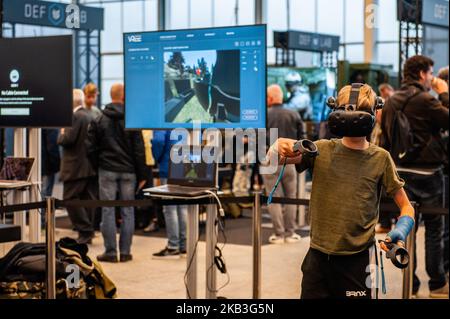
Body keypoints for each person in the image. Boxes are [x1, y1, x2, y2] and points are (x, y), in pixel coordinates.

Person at [268, 83, 415, 299]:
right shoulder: (321, 149)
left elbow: (406, 207)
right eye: (346, 110)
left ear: (374, 112)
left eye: (357, 111)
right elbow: (273, 161)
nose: (351, 116)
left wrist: (400, 232)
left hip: (358, 260)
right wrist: (276, 146)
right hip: (317, 260)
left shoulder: (381, 158)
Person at [381, 55, 449, 298]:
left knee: (406, 227)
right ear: (422, 74)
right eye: (430, 73)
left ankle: (411, 284)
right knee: (434, 229)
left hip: (400, 174)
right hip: (429, 173)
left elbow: (385, 141)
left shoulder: (390, 102)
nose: (432, 78)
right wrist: (444, 93)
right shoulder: (426, 100)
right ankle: (438, 284)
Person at [87, 83, 147, 263]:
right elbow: (139, 149)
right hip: (129, 171)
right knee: (128, 210)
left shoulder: (99, 119)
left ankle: (111, 252)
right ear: (123, 97)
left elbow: (90, 148)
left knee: (108, 210)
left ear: (110, 95)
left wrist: (98, 165)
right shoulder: (132, 119)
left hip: (107, 171)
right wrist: (143, 174)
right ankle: (126, 252)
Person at [262, 84, 304, 244]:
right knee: (291, 197)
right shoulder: (293, 114)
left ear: (270, 98)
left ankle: (278, 235)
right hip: (290, 161)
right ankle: (291, 233)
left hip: (270, 160)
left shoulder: (264, 115)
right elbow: (302, 140)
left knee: (273, 197)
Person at [57, 89, 97, 245]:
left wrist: (61, 132)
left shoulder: (74, 117)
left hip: (74, 167)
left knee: (70, 199)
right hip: (87, 166)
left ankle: (85, 230)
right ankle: (88, 231)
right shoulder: (89, 115)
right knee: (87, 199)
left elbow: (67, 139)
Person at [152, 130, 188, 259]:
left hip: (168, 167)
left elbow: (158, 141)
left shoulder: (163, 118)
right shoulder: (188, 117)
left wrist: (158, 158)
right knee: (183, 207)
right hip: (186, 167)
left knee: (170, 208)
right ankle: (184, 245)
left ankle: (173, 246)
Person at [374, 83, 395, 234]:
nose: (377, 113)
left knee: (386, 193)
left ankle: (386, 222)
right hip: (375, 159)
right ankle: (384, 221)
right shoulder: (374, 126)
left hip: (386, 160)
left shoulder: (388, 126)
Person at [41, 129, 60, 198]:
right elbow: (52, 146)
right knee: (45, 193)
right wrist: (56, 165)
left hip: (36, 163)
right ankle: (42, 208)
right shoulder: (51, 122)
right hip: (47, 164)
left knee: (37, 190)